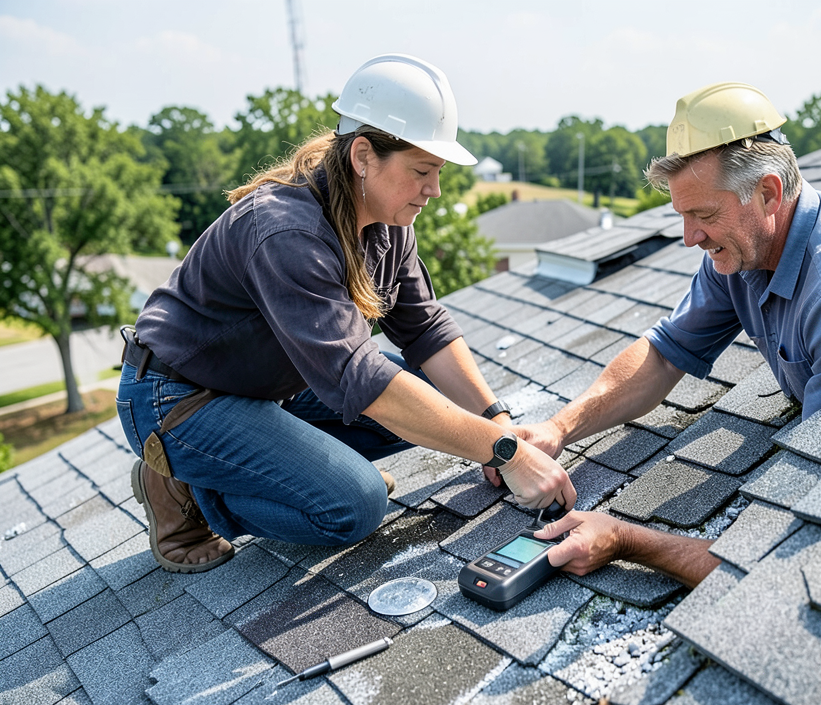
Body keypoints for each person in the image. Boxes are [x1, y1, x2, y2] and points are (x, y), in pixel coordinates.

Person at [117, 54, 575, 574]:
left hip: (258, 389)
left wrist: (497, 427)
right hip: (179, 399)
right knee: (352, 506)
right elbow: (363, 381)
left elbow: (425, 331)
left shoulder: (389, 221)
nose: (435, 190)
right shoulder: (286, 231)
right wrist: (508, 454)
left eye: (438, 172)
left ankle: (294, 465)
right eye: (423, 171)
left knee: (431, 404)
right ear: (363, 155)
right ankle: (189, 489)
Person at [502, 81, 821, 586]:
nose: (690, 237)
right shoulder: (741, 250)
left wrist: (625, 540)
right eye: (683, 215)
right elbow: (666, 354)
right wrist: (559, 429)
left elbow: (794, 543)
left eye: (704, 215)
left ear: (768, 193)